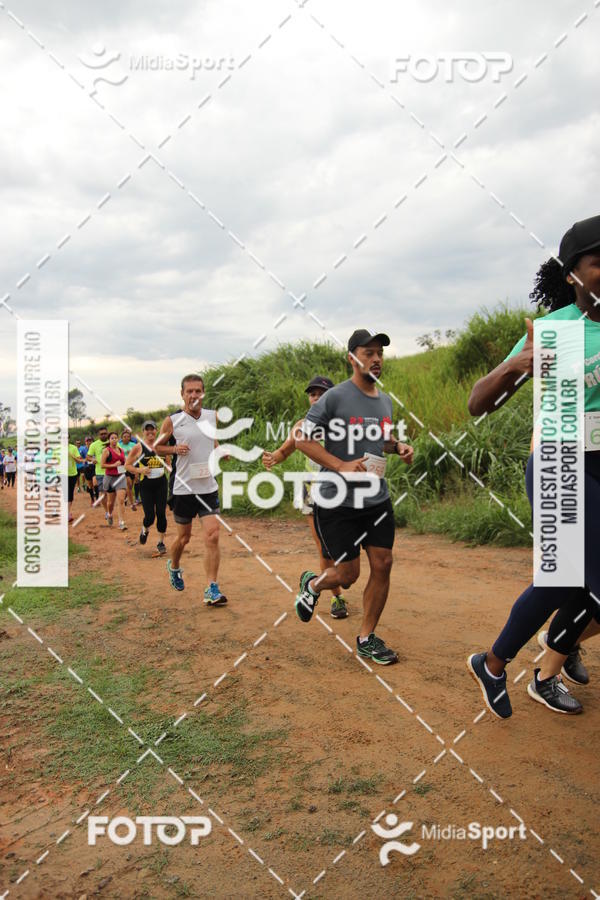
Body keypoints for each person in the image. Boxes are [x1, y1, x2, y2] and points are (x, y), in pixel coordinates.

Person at [467, 214, 600, 717]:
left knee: (563, 582)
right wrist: (513, 365)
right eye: (599, 262)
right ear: (572, 273)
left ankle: (494, 663)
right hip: (559, 460)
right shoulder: (554, 330)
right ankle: (553, 655)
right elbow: (478, 403)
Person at [294, 329, 413, 665]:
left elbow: (383, 441)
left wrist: (398, 447)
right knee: (347, 575)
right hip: (337, 501)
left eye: (380, 354)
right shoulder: (334, 398)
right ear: (352, 358)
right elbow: (303, 439)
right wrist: (341, 464)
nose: (375, 359)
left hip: (376, 499)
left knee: (384, 563)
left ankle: (366, 637)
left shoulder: (385, 400)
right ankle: (314, 584)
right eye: (368, 353)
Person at [263, 375, 349, 619]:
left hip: (344, 490)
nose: (316, 398)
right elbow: (285, 450)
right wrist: (273, 458)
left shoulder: (344, 425)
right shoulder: (302, 425)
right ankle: (336, 597)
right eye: (313, 394)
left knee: (348, 546)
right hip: (312, 490)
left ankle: (333, 580)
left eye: (322, 393)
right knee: (325, 550)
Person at [154, 374, 227, 606]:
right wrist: (174, 449)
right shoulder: (173, 421)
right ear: (182, 394)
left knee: (213, 535)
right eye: (190, 391)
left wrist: (218, 451)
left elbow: (211, 440)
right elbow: (157, 448)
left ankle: (212, 588)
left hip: (207, 486)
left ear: (203, 393)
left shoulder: (211, 416)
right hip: (183, 488)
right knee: (184, 538)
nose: (194, 395)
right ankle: (174, 566)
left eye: (198, 391)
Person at [125, 420, 168, 554]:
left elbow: (168, 463)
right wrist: (140, 471)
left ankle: (160, 542)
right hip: (146, 485)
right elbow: (127, 465)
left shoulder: (162, 445)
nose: (150, 432)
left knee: (161, 513)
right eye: (147, 430)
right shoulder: (138, 447)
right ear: (143, 432)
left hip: (161, 483)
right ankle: (145, 529)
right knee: (150, 516)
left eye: (152, 429)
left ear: (156, 431)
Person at [100, 432, 128, 530]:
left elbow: (124, 462)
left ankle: (121, 522)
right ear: (109, 440)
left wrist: (126, 465)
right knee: (110, 503)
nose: (114, 440)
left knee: (121, 500)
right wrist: (113, 465)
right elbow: (102, 465)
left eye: (116, 438)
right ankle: (110, 514)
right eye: (112, 438)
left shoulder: (121, 450)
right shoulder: (106, 451)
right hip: (110, 478)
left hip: (120, 477)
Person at [87, 427, 109, 514]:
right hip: (100, 473)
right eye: (101, 434)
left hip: (113, 472)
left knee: (112, 495)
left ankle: (110, 509)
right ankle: (107, 512)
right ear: (98, 435)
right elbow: (88, 457)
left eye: (105, 433)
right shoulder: (94, 445)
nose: (103, 435)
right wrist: (92, 460)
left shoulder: (113, 442)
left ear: (107, 434)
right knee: (104, 494)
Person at [119, 428, 139, 510]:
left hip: (133, 466)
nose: (126, 438)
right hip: (122, 467)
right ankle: (132, 504)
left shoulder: (133, 445)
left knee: (133, 484)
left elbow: (138, 456)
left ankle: (127, 497)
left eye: (128, 436)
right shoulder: (118, 445)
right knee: (129, 484)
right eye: (124, 436)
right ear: (121, 437)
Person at [67, 439, 84, 522]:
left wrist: (72, 456)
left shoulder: (73, 448)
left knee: (70, 493)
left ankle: (68, 513)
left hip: (72, 474)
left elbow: (79, 460)